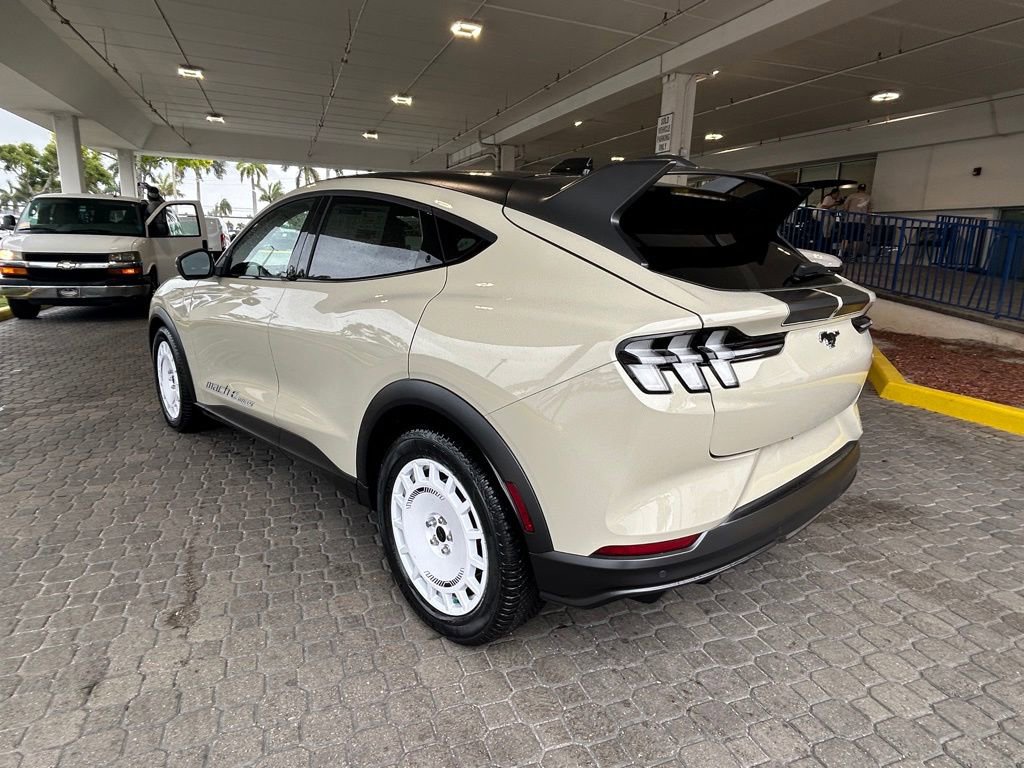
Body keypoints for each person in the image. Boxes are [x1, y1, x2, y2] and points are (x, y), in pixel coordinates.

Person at [840, 184, 872, 259]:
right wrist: (868, 222)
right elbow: (869, 211)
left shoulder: (851, 196)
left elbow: (845, 207)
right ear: (865, 189)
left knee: (846, 237)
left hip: (850, 219)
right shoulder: (868, 197)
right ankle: (854, 256)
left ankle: (841, 254)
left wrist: (843, 217)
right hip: (861, 221)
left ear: (858, 189)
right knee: (857, 239)